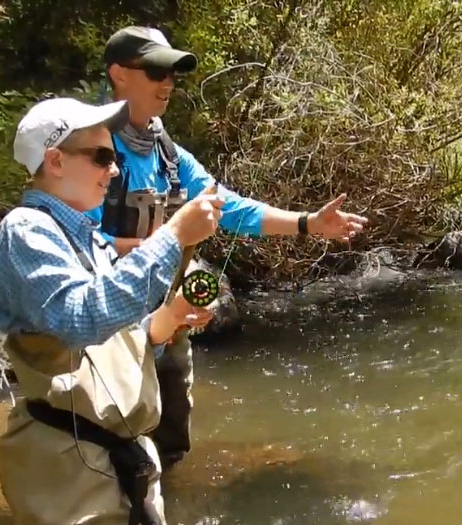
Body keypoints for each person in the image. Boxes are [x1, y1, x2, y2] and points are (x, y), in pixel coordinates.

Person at [88, 26, 369, 466]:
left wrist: (306, 223)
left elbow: (230, 206)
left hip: (172, 319)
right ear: (119, 74)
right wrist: (169, 238)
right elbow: (82, 243)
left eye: (172, 74)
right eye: (156, 71)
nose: (168, 83)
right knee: (110, 447)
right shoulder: (93, 149)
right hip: (110, 326)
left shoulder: (167, 151)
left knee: (171, 440)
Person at [0, 97, 224, 524]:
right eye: (101, 157)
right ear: (55, 160)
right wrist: (172, 234)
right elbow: (81, 319)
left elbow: (120, 343)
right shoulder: (25, 230)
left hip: (121, 462)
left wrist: (170, 319)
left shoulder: (90, 239)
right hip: (69, 470)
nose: (113, 170)